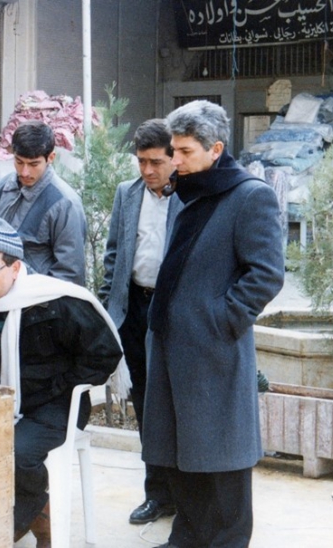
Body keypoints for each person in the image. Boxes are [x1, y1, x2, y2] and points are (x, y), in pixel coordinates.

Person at [142, 100, 285, 547]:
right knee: (182, 454)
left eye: (184, 152)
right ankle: (187, 536)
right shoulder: (192, 193)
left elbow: (266, 273)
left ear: (216, 148)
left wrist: (221, 319)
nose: (175, 161)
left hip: (213, 351)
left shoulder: (249, 195)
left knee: (222, 459)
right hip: (172, 346)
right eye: (174, 150)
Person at [0, 209, 126, 548]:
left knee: (16, 451)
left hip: (56, 406)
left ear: (14, 267)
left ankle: (20, 523)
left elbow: (105, 354)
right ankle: (36, 514)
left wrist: (59, 385)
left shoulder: (56, 300)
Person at [99, 118, 182, 525]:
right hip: (134, 308)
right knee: (146, 404)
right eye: (141, 162)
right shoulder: (127, 195)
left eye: (156, 162)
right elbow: (113, 255)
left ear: (174, 158)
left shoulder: (189, 197)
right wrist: (106, 309)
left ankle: (188, 493)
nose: (148, 171)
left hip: (175, 313)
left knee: (178, 402)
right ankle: (157, 493)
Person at [0, 120, 87, 286]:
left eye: (33, 164)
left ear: (51, 157)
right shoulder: (3, 188)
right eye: (19, 162)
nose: (25, 172)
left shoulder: (65, 204)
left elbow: (70, 273)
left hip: (38, 301)